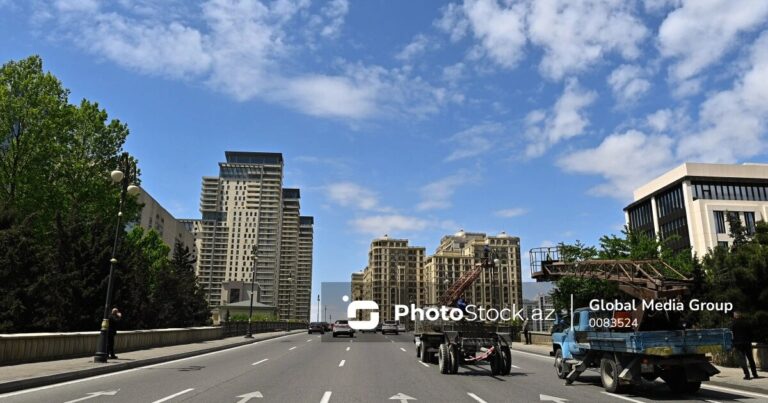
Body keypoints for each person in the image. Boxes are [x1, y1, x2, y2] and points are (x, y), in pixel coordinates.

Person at [732, 311, 758, 380]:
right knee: (750, 359)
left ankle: (747, 375)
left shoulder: (733, 324)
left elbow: (732, 334)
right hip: (747, 343)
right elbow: (751, 333)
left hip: (738, 344)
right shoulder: (747, 323)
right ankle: (755, 374)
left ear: (735, 316)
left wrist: (733, 343)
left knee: (742, 359)